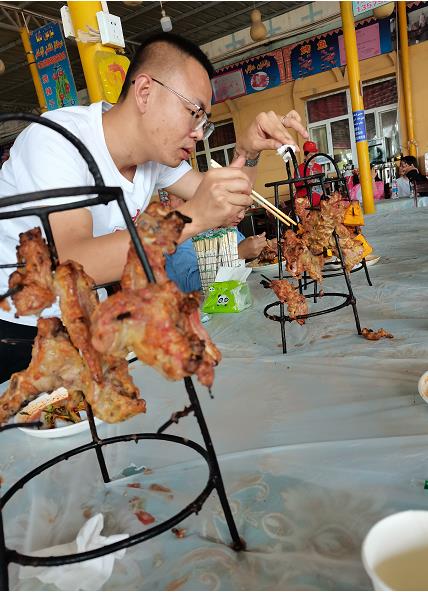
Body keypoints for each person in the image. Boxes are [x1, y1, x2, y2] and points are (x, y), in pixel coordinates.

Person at [0, 31, 308, 383]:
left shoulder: (155, 158)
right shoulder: (57, 140)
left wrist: (248, 152)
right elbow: (75, 263)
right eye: (194, 112)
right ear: (145, 91)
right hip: (17, 328)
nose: (198, 132)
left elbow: (229, 207)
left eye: (203, 121)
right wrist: (192, 217)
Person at [165, 193, 267, 292]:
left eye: (245, 209)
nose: (241, 216)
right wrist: (237, 254)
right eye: (235, 208)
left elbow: (247, 255)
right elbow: (191, 285)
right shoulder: (181, 236)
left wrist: (262, 249)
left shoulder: (227, 228)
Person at [295, 140, 323, 206]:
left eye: (314, 155)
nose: (313, 158)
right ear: (305, 156)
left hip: (320, 200)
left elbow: (322, 184)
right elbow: (297, 186)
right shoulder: (299, 168)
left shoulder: (319, 167)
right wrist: (307, 181)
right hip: (305, 201)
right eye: (311, 155)